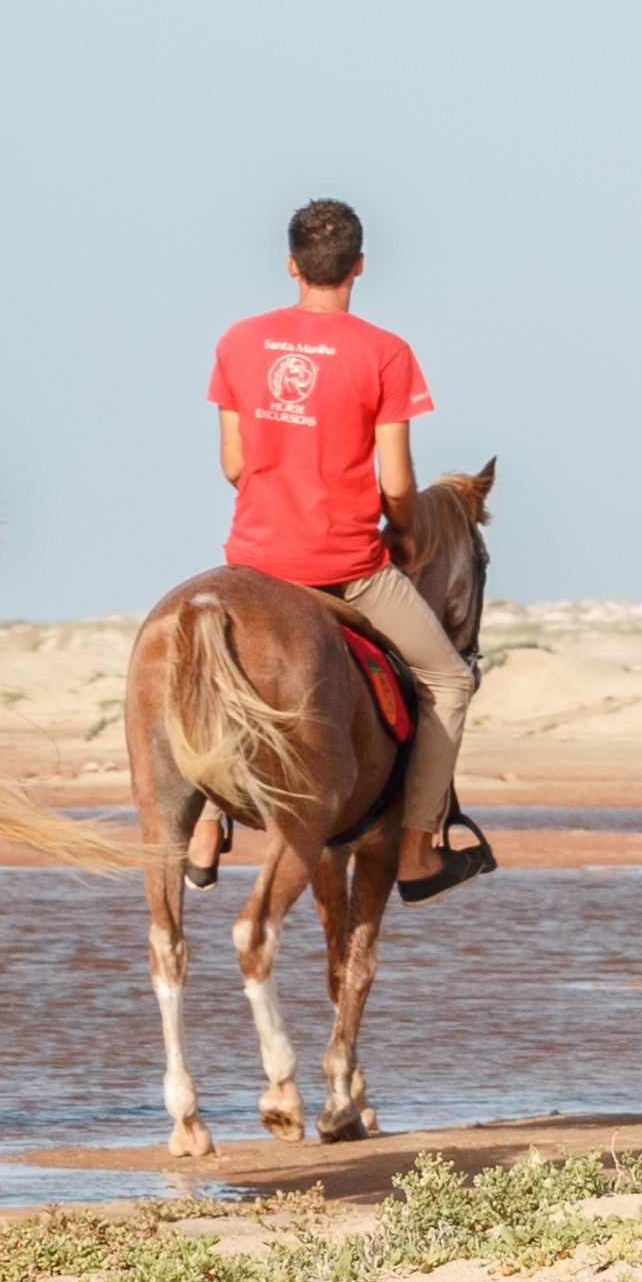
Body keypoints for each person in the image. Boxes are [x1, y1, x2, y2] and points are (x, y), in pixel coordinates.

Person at [203, 198, 484, 895]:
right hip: (346, 569)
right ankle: (417, 852)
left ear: (291, 265)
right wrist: (405, 532)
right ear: (358, 266)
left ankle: (206, 824)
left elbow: (234, 465)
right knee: (450, 680)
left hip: (254, 561)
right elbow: (397, 484)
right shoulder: (386, 353)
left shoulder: (239, 341)